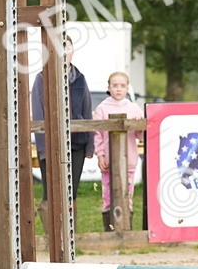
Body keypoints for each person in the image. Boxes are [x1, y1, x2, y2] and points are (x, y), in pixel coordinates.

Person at [31, 42, 94, 212]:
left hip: (77, 144)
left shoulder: (80, 78)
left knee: (71, 193)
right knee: (51, 193)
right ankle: (50, 226)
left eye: (68, 48)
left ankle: (70, 228)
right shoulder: (42, 78)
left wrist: (90, 145)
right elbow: (38, 115)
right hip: (51, 145)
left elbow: (87, 111)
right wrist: (44, 149)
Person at [92, 71, 143, 231]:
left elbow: (141, 135)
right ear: (109, 87)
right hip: (109, 161)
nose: (118, 89)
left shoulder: (134, 108)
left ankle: (126, 230)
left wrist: (138, 125)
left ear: (127, 88)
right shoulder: (101, 109)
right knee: (108, 195)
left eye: (122, 86)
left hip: (129, 161)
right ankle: (110, 231)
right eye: (115, 85)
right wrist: (100, 155)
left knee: (127, 195)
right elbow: (97, 135)